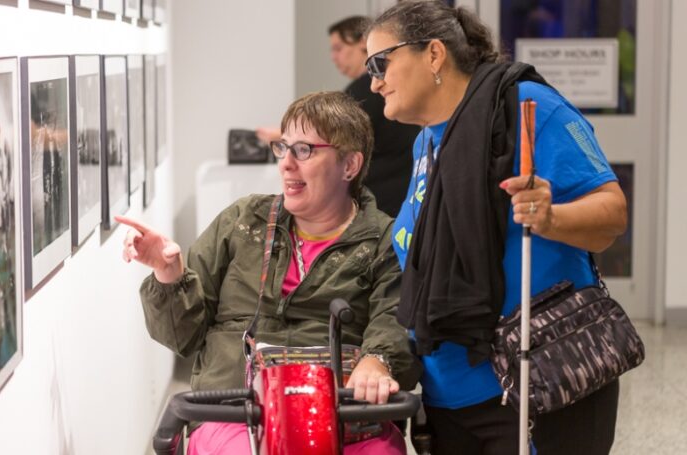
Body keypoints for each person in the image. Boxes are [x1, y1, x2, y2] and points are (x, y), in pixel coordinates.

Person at [364, 2, 628, 454]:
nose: (374, 81)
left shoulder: (525, 107)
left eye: (380, 62)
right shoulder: (427, 142)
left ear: (433, 55)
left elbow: (611, 213)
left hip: (535, 381)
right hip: (449, 393)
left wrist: (550, 216)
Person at [119, 91, 421, 454]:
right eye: (283, 147)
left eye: (304, 150)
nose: (286, 164)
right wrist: (169, 275)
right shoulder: (242, 222)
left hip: (343, 413)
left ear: (349, 165)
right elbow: (181, 338)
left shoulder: (384, 240)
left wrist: (377, 361)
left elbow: (396, 316)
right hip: (237, 412)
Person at [257, 16, 419, 217]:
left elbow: (327, 134)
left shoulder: (362, 94)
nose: (334, 57)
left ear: (363, 42)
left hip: (383, 205)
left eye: (338, 48)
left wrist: (281, 135)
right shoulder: (382, 91)